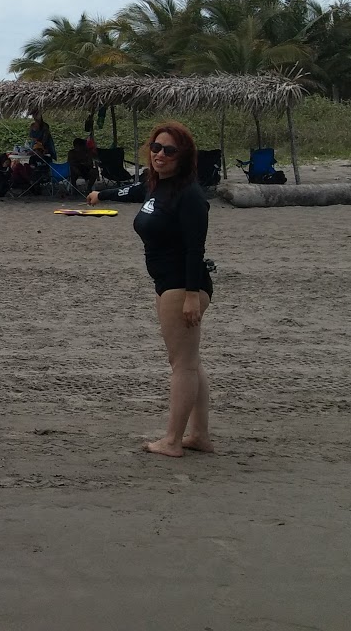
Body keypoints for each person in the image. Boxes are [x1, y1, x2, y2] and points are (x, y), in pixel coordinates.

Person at [88, 121, 214, 457]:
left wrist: (190, 296)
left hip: (183, 286)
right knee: (191, 361)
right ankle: (199, 435)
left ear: (183, 155)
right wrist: (102, 195)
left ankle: (172, 441)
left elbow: (195, 249)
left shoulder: (190, 196)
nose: (160, 155)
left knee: (182, 365)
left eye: (169, 150)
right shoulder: (157, 185)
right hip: (168, 285)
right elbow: (134, 191)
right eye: (156, 147)